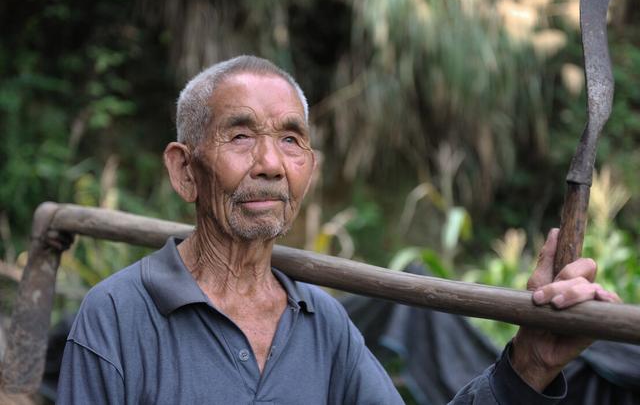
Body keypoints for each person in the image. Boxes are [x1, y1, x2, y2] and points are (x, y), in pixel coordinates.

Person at [56, 55, 621, 404]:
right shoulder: (117, 317)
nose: (271, 164)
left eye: (291, 140)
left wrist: (531, 361)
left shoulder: (320, 324)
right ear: (185, 169)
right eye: (240, 136)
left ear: (310, 169)